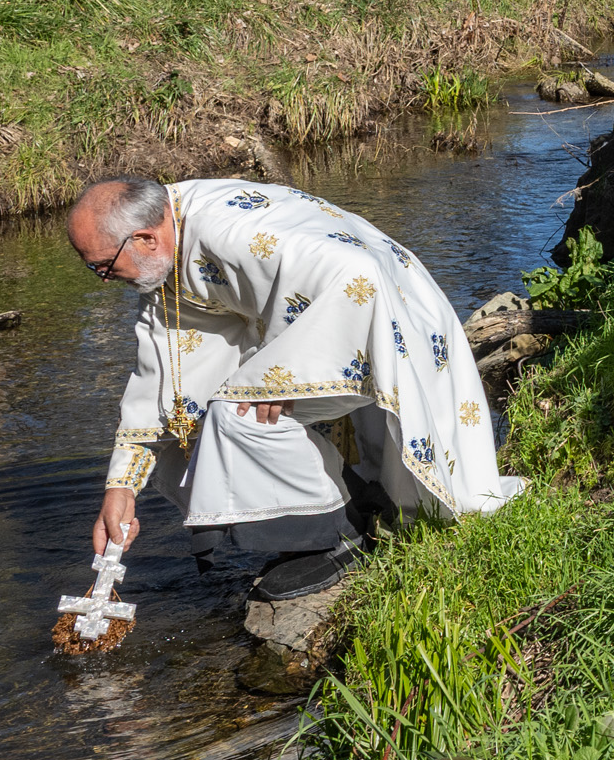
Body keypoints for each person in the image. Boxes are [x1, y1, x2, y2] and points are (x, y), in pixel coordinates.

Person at [68, 176, 522, 603]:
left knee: (235, 416)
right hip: (340, 322)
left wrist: (282, 372)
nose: (105, 281)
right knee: (194, 420)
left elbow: (357, 271)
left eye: (103, 266)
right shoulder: (167, 252)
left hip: (390, 317)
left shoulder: (229, 233)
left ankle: (341, 535)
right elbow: (163, 380)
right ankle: (354, 507)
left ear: (145, 238)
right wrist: (121, 487)